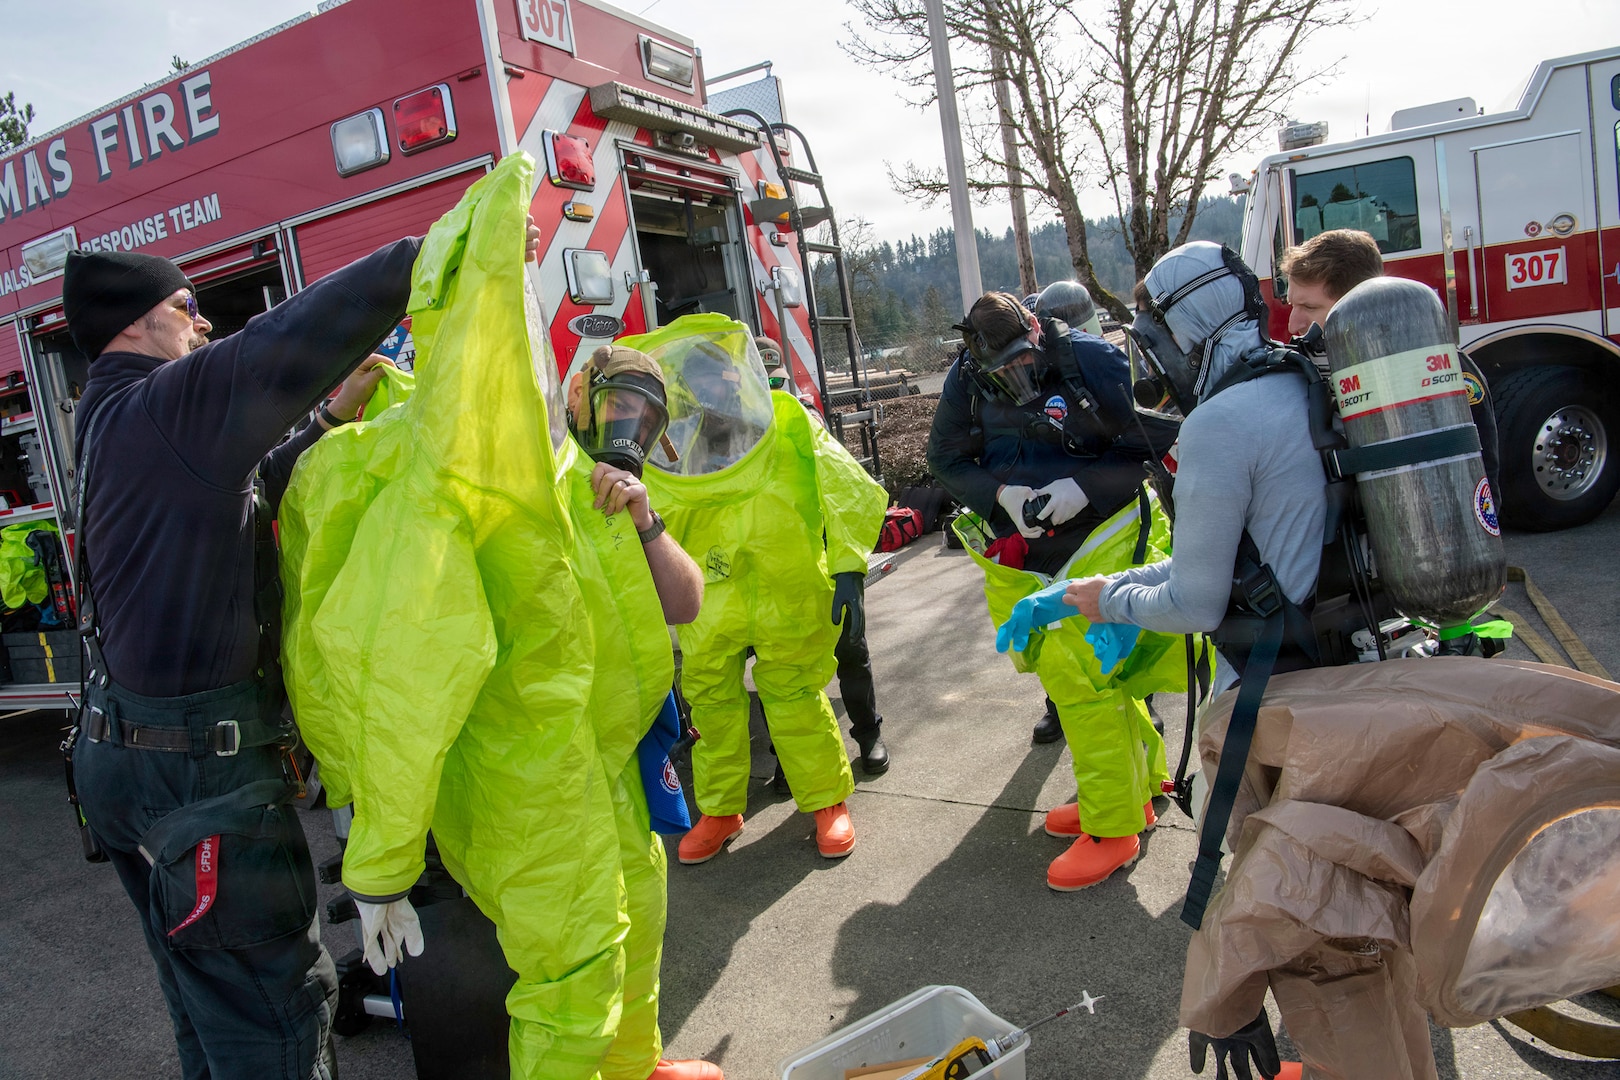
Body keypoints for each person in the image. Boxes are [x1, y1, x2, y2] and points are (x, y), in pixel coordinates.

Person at [61, 216, 524, 1078]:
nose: (203, 324)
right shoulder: (166, 404)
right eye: (188, 306)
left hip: (126, 764)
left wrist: (323, 425)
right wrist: (435, 249)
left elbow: (232, 496)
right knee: (272, 1027)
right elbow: (281, 342)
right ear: (133, 323)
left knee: (208, 1012)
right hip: (202, 785)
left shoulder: (110, 419)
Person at [1063, 241, 1331, 1080]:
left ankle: (1313, 1046)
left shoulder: (1221, 421)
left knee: (1272, 887)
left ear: (1191, 326)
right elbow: (1244, 551)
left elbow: (1198, 603)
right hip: (1348, 668)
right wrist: (1122, 578)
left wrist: (1107, 600)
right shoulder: (1302, 379)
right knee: (1338, 887)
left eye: (1158, 335)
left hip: (1272, 698)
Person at [928, 288, 1182, 890]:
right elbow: (944, 457)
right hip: (1031, 551)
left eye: (1024, 357)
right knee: (1102, 682)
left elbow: (1156, 438)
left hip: (1104, 536)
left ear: (1037, 329)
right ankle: (1133, 793)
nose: (1017, 372)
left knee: (1081, 685)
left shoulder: (1089, 360)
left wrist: (1083, 488)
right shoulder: (966, 379)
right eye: (1002, 366)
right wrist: (999, 497)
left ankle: (1113, 826)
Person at [632, 314, 888, 865]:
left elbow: (847, 488)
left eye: (716, 375)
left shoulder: (790, 422)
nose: (709, 388)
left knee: (794, 695)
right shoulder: (671, 452)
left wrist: (849, 568)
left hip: (785, 586)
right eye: (695, 379)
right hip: (710, 598)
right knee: (712, 703)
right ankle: (720, 810)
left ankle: (825, 802)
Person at [1278, 227, 1500, 505]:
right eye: (1292, 306)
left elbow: (1481, 476)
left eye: (1309, 308)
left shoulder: (1439, 368)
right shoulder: (1305, 369)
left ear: (1359, 304)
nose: (1293, 326)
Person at [757, 335, 889, 776]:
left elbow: (842, 491)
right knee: (782, 665)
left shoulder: (803, 416)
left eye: (776, 382)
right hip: (773, 565)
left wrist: (847, 568)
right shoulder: (732, 435)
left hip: (823, 556)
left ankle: (869, 734)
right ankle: (789, 759)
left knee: (850, 647)